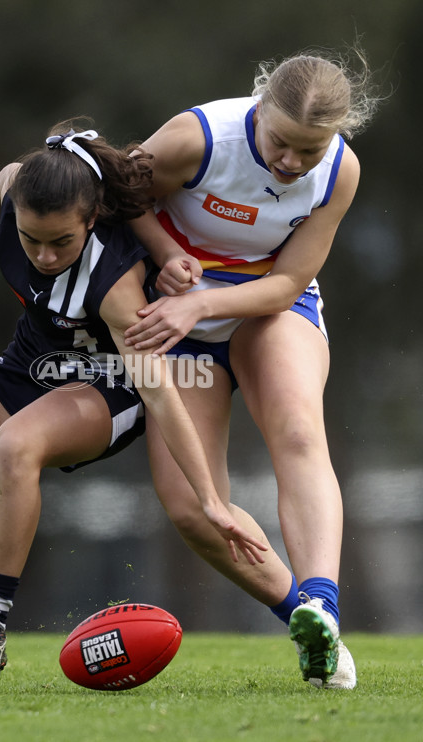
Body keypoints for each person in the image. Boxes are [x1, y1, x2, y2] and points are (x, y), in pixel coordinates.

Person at [0, 123, 269, 693]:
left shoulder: (113, 281)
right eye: (32, 240)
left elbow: (158, 390)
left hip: (111, 386)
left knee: (16, 444)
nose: (44, 255)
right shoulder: (15, 195)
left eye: (61, 242)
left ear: (91, 220)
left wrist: (209, 498)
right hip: (30, 364)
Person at [123, 49, 379, 690]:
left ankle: (324, 603)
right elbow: (116, 196)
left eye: (310, 151)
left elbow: (291, 277)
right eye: (282, 144)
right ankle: (301, 620)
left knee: (296, 428)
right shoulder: (196, 140)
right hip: (175, 324)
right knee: (190, 505)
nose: (293, 164)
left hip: (268, 307)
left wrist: (205, 301)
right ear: (260, 108)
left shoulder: (339, 172)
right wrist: (164, 253)